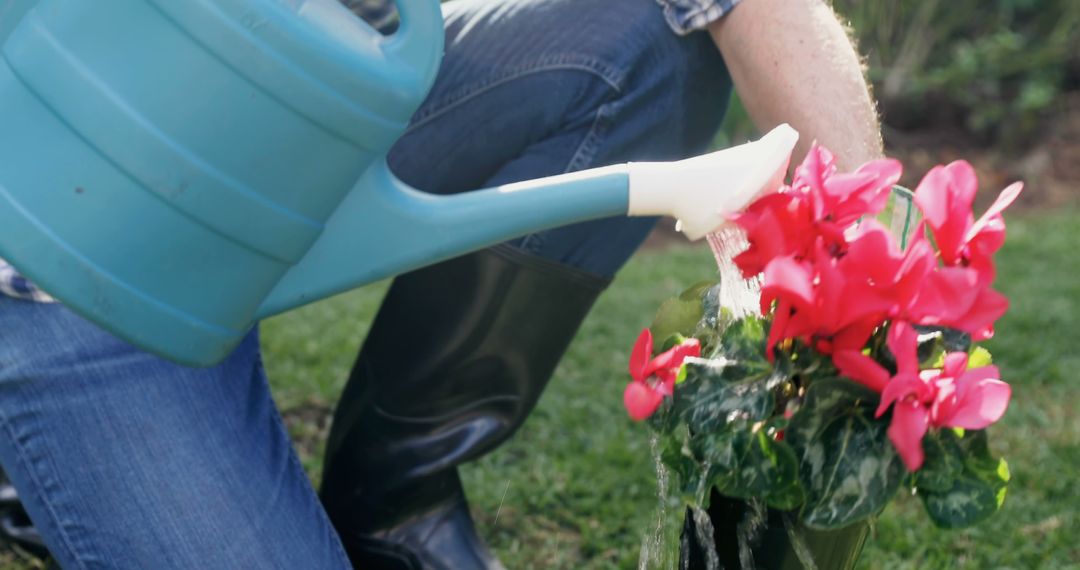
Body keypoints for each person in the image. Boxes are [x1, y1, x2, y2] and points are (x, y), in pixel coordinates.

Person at [0, 0, 885, 567]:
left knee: (639, 41)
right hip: (66, 246)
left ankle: (393, 511)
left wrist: (876, 262)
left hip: (304, 106)